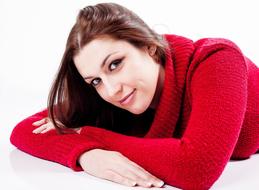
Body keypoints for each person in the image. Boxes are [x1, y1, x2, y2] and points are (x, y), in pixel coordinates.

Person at [10, 2, 259, 190]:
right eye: (95, 81)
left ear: (150, 47)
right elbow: (24, 130)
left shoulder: (216, 60)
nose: (111, 90)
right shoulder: (114, 96)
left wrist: (88, 134)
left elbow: (196, 168)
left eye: (115, 64)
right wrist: (86, 155)